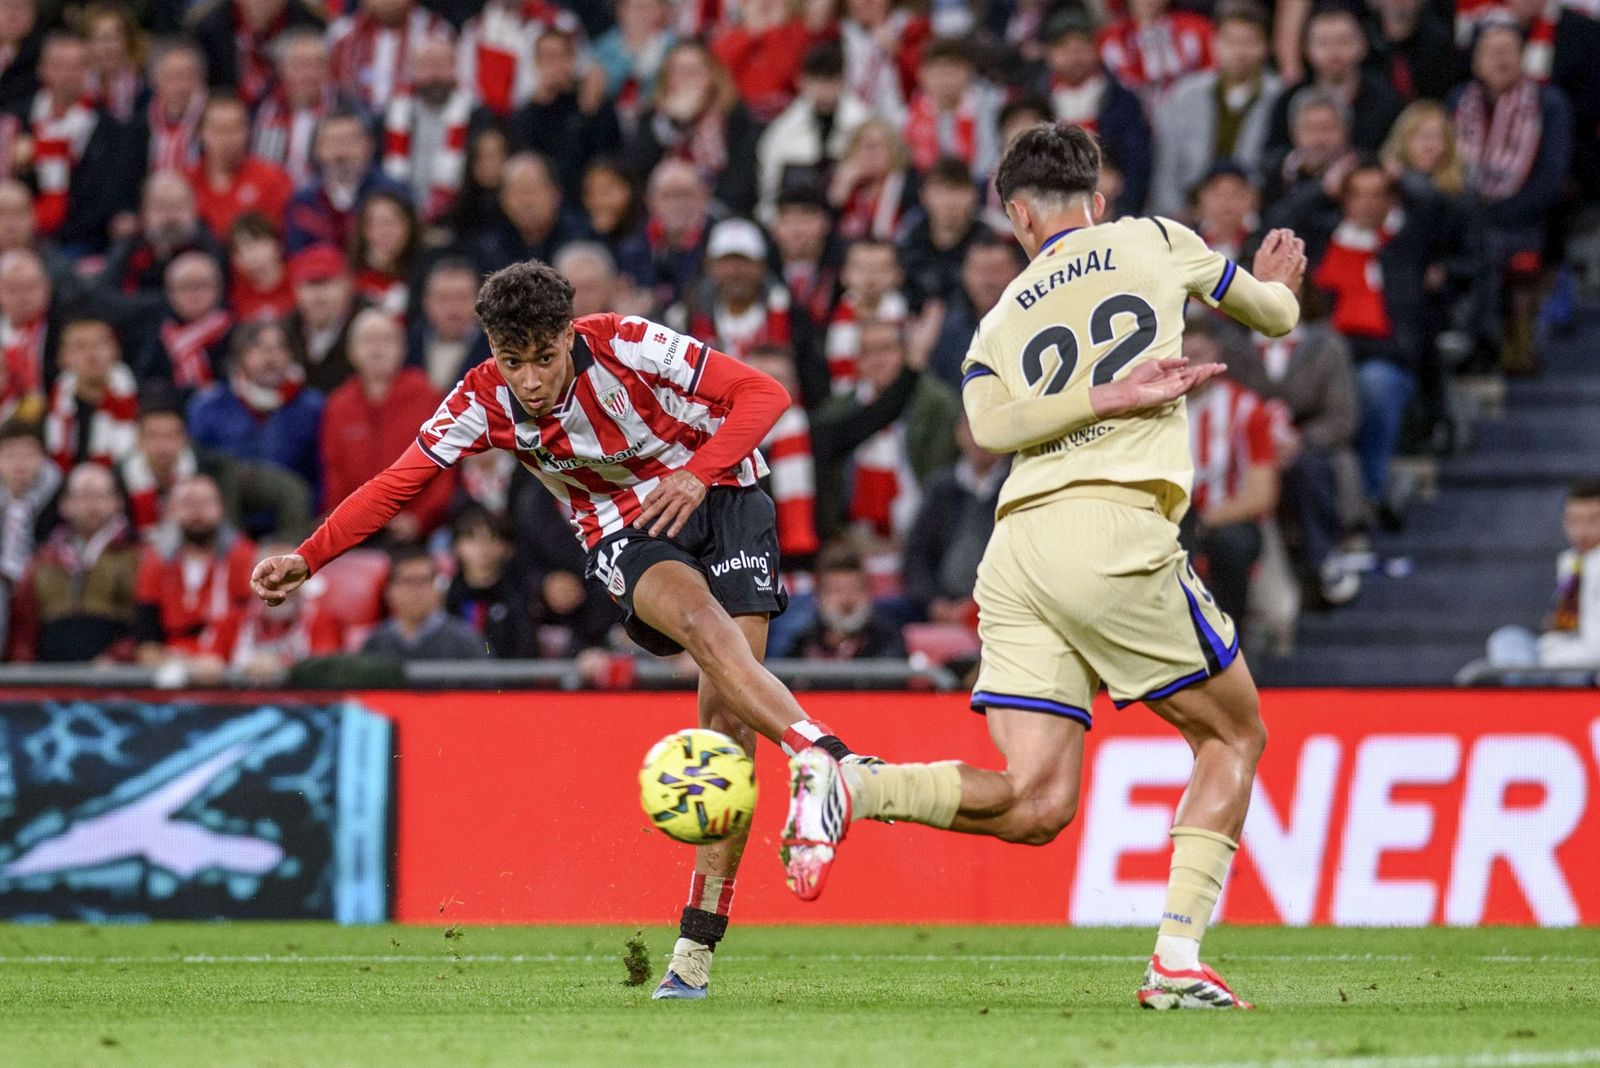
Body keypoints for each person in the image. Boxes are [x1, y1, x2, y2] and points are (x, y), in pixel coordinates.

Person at [780, 121, 1307, 1013]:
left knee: (1037, 803)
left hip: (1017, 550)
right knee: (1232, 735)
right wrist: (1276, 287)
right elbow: (1272, 315)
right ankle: (1177, 959)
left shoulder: (1000, 316)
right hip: (1113, 530)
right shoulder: (1155, 238)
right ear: (1096, 201)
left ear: (1019, 216)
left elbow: (986, 428)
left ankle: (851, 782)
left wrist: (1082, 397)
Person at [249, 259, 875, 1001]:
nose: (532, 379)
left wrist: (699, 471)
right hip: (624, 528)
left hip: (726, 491)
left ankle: (694, 957)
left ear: (569, 336)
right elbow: (397, 482)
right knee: (704, 625)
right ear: (491, 347)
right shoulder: (482, 399)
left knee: (726, 732)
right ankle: (824, 756)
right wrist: (309, 555)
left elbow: (763, 394)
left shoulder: (630, 343)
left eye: (545, 357)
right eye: (513, 361)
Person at [1180, 320, 1282, 630]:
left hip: (1223, 518)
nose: (1191, 366)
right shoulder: (1152, 410)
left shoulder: (1246, 408)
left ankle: (1230, 637)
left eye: (1198, 355)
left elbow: (1261, 495)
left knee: (1232, 543)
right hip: (1168, 521)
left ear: (1215, 354)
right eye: (1184, 357)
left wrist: (1203, 521)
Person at [322, 308, 450, 541]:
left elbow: (445, 466)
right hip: (357, 530)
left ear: (402, 348)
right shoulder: (338, 405)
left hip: (419, 530)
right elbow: (334, 472)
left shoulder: (427, 395)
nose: (377, 349)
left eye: (386, 340)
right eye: (368, 340)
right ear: (351, 351)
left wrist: (420, 519)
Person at [1148, 0, 1280, 218]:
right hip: (1187, 216)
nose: (1240, 51)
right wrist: (1174, 216)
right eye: (1231, 41)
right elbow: (1166, 166)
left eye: (1250, 42)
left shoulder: (1279, 97)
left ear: (1266, 47)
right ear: (1214, 43)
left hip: (1254, 219)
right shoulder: (1184, 95)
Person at [7, 461, 140, 661]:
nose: (91, 505)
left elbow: (147, 627)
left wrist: (120, 657)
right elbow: (23, 629)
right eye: (82, 496)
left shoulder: (138, 555)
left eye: (100, 496)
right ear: (64, 504)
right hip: (49, 676)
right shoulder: (42, 560)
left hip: (117, 677)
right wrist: (23, 668)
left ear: (118, 501)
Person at [133, 473, 256, 685]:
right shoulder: (155, 563)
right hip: (175, 672)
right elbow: (146, 643)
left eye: (205, 503)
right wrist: (187, 664)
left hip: (234, 673)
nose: (197, 512)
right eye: (188, 504)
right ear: (171, 510)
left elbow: (253, 625)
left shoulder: (244, 558)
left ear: (221, 508)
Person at [187, 318, 324, 495]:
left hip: (297, 514)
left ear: (291, 355)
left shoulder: (313, 408)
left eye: (279, 347)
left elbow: (322, 474)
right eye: (257, 346)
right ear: (240, 356)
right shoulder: (208, 407)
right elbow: (197, 471)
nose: (270, 356)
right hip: (229, 513)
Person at [902, 413, 1007, 624]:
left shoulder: (1018, 485)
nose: (979, 438)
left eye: (988, 428)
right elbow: (916, 555)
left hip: (998, 609)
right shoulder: (940, 487)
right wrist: (933, 602)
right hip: (935, 606)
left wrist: (973, 606)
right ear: (958, 433)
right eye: (972, 428)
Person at [1485, 481, 1600, 669]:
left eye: (1593, 520)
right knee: (1508, 638)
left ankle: (1528, 691)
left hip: (1585, 668)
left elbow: (1596, 652)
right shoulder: (1573, 561)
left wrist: (1550, 655)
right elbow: (1567, 626)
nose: (1581, 531)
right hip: (1566, 653)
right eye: (1574, 521)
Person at [379, 34, 476, 224]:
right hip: (401, 218)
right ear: (413, 71)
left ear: (455, 69)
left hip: (460, 220)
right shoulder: (393, 114)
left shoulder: (475, 115)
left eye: (442, 65)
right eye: (427, 66)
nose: (435, 75)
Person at [283, 109, 407, 254]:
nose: (341, 152)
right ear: (317, 149)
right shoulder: (303, 201)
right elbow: (295, 256)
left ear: (369, 146)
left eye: (350, 141)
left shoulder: (394, 195)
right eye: (332, 142)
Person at [188, 93, 292, 240]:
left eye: (235, 129)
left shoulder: (272, 178)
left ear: (247, 131)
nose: (227, 138)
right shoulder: (185, 182)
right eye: (218, 130)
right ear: (201, 133)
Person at [42, 316, 138, 472]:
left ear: (116, 349)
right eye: (80, 346)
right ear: (62, 357)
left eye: (100, 343)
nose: (92, 354)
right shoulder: (49, 407)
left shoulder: (138, 402)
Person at [360, 546, 487, 660]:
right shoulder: (376, 642)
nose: (417, 591)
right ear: (389, 591)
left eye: (424, 580)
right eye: (408, 581)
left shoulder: (466, 641)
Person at [138, 251, 233, 395]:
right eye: (185, 286)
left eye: (202, 285)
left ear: (218, 289)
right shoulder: (158, 333)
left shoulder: (233, 332)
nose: (194, 294)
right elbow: (147, 382)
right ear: (170, 293)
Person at [793, 545, 905, 659]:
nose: (846, 600)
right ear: (819, 597)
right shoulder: (804, 641)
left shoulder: (887, 637)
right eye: (836, 591)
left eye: (855, 589)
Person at [283, 243, 363, 393]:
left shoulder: (369, 324)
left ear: (347, 285)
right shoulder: (286, 331)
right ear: (295, 289)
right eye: (311, 284)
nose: (319, 295)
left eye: (326, 282)